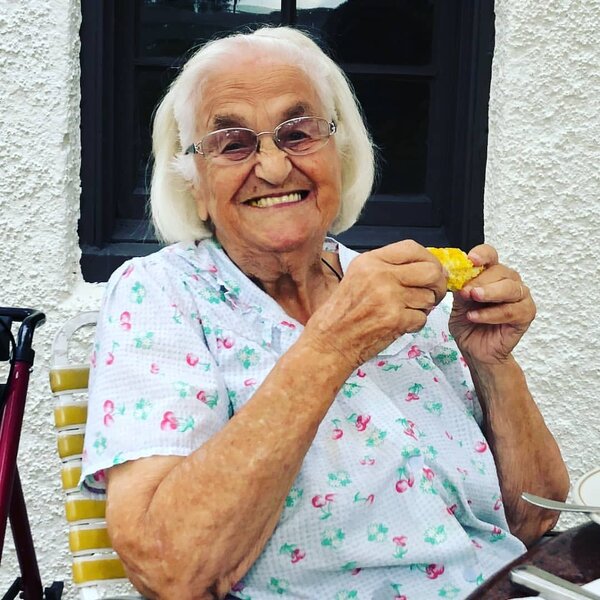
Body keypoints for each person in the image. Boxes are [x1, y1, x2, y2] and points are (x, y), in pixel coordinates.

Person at [81, 26, 569, 600]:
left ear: (340, 152)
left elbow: (533, 519)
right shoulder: (161, 294)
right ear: (195, 185)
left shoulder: (386, 285)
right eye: (233, 144)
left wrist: (493, 364)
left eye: (298, 133)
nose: (273, 168)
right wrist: (333, 344)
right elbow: (171, 571)